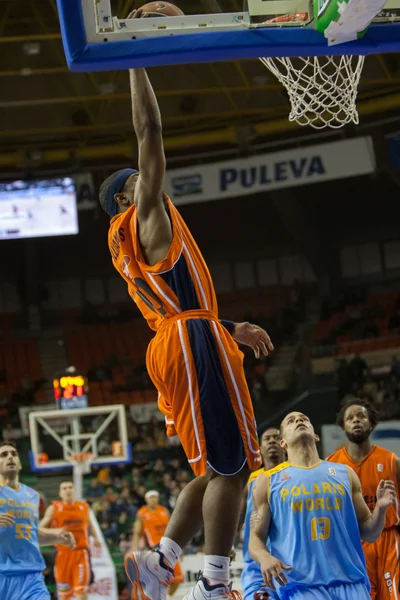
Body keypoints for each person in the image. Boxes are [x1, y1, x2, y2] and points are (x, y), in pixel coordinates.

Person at [99, 14, 273, 600]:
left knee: (214, 467)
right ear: (129, 194)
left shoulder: (132, 247)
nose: (156, 184)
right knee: (234, 468)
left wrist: (228, 325)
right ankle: (214, 583)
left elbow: (178, 301)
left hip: (182, 338)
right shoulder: (142, 216)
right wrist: (134, 56)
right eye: (142, 181)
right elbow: (149, 132)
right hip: (189, 340)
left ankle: (162, 557)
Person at [249, 411, 396, 600]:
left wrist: (381, 509)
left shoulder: (345, 473)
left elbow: (369, 533)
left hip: (352, 585)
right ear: (282, 443)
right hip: (302, 588)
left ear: (315, 436)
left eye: (304, 419)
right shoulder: (268, 481)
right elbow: (255, 538)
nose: (299, 421)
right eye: (291, 421)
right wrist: (264, 557)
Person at [327, 398, 400, 599]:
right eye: (350, 418)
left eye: (361, 416)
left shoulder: (392, 461)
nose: (356, 420)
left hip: (387, 540)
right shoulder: (331, 465)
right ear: (343, 426)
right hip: (352, 544)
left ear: (371, 423)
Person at [0, 442, 75, 600]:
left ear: (20, 464)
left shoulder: (32, 496)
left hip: (31, 578)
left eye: (13, 454)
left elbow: (30, 533)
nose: (10, 457)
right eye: (3, 455)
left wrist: (58, 538)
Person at [241, 428, 285, 600]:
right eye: (267, 439)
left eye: (277, 438)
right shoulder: (249, 481)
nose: (272, 441)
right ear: (259, 448)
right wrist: (227, 545)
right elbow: (236, 515)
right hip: (257, 566)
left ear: (285, 444)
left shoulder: (297, 476)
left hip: (292, 564)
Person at [40, 481, 102, 600]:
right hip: (63, 555)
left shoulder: (84, 506)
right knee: (64, 596)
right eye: (64, 488)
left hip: (81, 553)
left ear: (75, 490)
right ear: (60, 493)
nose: (67, 490)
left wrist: (96, 538)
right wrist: (56, 531)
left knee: (82, 593)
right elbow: (40, 528)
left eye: (70, 487)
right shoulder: (54, 508)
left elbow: (90, 525)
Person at [131, 490, 184, 598]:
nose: (154, 499)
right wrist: (134, 549)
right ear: (146, 499)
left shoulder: (164, 511)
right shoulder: (142, 513)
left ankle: (168, 597)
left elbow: (173, 529)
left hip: (169, 549)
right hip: (153, 550)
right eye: (151, 498)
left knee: (178, 579)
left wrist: (179, 548)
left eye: (155, 497)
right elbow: (136, 532)